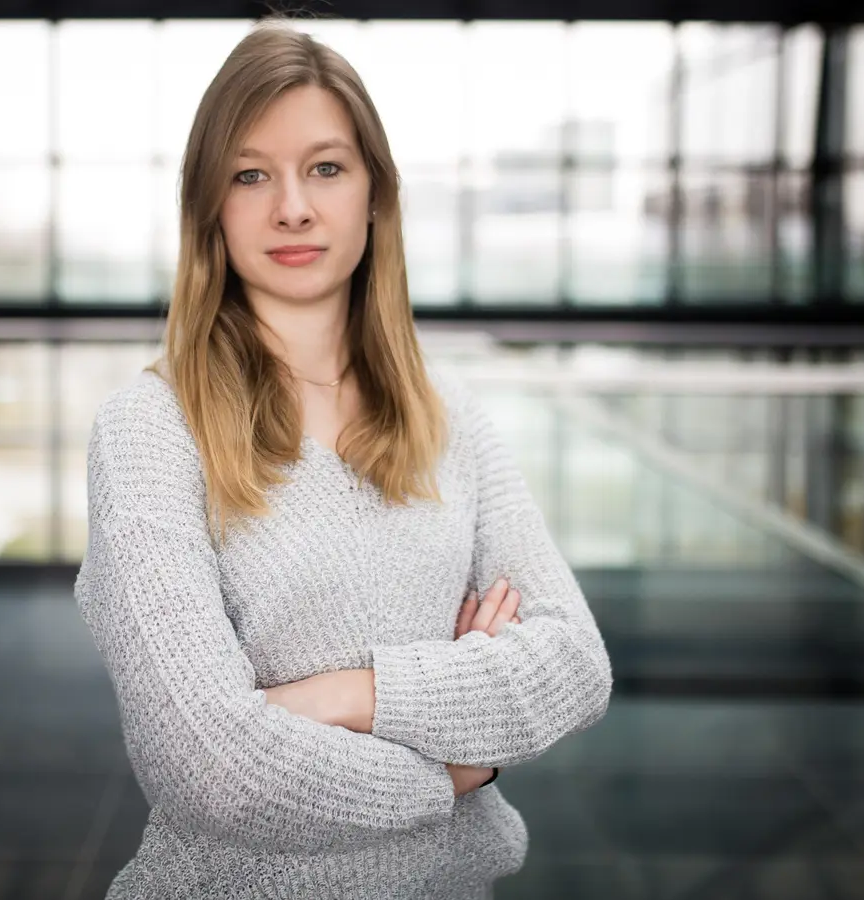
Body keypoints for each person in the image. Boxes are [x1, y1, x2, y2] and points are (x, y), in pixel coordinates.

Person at [74, 20, 612, 899]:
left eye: (325, 168)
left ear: (374, 196)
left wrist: (349, 694)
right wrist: (457, 770)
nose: (292, 207)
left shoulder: (448, 416)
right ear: (211, 207)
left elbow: (573, 665)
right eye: (251, 175)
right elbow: (210, 767)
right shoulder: (150, 430)